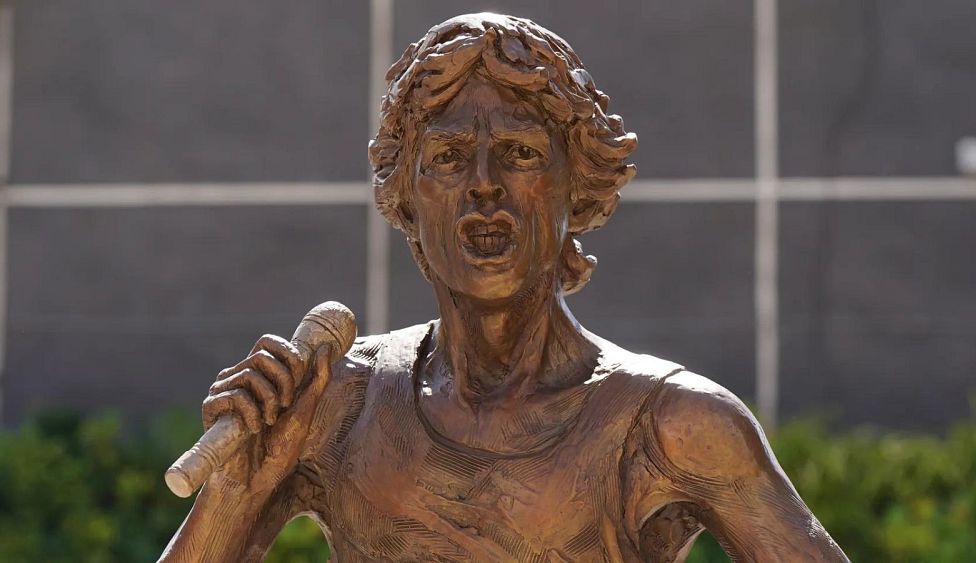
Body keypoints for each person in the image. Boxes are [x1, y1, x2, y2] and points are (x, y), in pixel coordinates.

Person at [160, 13, 849, 562]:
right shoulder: (338, 402)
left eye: (520, 153)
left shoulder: (674, 425)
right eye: (449, 157)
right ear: (407, 199)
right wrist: (234, 494)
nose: (484, 184)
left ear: (577, 186)